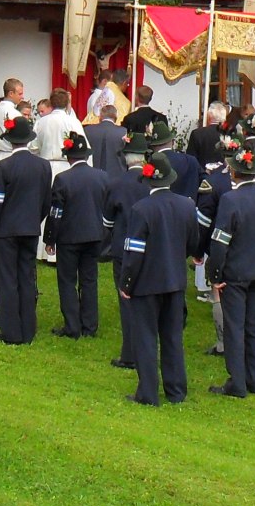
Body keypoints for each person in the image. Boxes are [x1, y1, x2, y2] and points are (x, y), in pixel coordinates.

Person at [120, 150, 202, 405]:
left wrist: (126, 282)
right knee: (172, 337)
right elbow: (193, 243)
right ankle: (176, 390)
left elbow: (134, 252)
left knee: (145, 338)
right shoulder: (187, 205)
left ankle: (147, 393)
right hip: (175, 280)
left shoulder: (141, 209)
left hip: (146, 283)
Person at [204, 144, 255, 396]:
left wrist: (215, 274)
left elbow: (220, 241)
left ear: (234, 173)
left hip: (235, 273)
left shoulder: (230, 199)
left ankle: (237, 383)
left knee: (235, 328)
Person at [0, 115, 51, 345]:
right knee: (27, 277)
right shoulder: (43, 165)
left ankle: (10, 330)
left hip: (6, 231)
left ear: (10, 141)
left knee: (7, 280)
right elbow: (45, 202)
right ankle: (28, 328)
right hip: (30, 229)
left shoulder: (4, 166)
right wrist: (34, 220)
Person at [45, 130, 109, 340]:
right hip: (94, 235)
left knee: (67, 281)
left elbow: (56, 213)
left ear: (68, 156)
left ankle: (72, 326)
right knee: (89, 280)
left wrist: (49, 239)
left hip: (69, 238)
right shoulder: (101, 176)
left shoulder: (63, 179)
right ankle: (90, 325)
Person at [103, 134, 156, 369]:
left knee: (126, 300)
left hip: (123, 248)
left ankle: (130, 353)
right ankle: (146, 349)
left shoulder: (117, 184)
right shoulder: (153, 182)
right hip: (151, 249)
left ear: (126, 158)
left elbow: (107, 220)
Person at [33, 87, 81, 163]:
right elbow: (81, 146)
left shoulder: (40, 122)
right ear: (66, 103)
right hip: (66, 165)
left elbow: (33, 146)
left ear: (51, 103)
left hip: (45, 164)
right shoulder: (74, 122)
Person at [84, 104, 128, 176]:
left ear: (100, 115)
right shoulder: (123, 132)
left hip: (92, 175)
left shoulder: (88, 130)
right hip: (117, 175)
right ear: (116, 116)